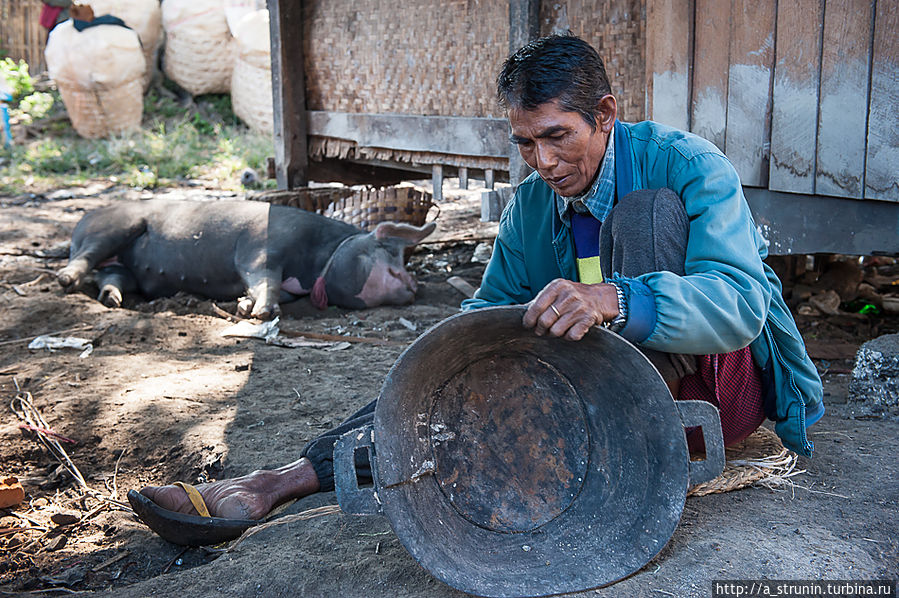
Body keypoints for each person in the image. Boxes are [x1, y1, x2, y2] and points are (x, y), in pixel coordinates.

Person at [134, 34, 824, 533]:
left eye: (557, 137)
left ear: (606, 114)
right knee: (459, 372)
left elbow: (738, 306)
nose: (543, 161)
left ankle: (616, 454)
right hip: (592, 396)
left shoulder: (687, 166)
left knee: (646, 219)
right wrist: (448, 371)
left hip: (708, 395)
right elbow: (484, 316)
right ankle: (276, 482)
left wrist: (614, 299)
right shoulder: (531, 203)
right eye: (525, 142)